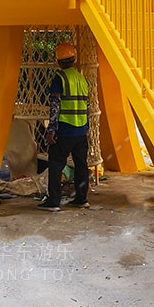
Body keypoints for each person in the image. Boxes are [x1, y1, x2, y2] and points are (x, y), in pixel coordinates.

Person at [38, 42, 90, 211]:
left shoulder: (59, 78)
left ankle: (54, 201)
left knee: (55, 164)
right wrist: (86, 127)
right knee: (81, 165)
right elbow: (87, 106)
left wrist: (51, 130)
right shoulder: (82, 79)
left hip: (65, 129)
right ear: (73, 59)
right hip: (81, 130)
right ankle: (81, 199)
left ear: (59, 61)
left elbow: (55, 105)